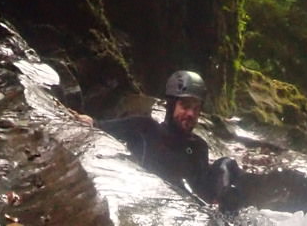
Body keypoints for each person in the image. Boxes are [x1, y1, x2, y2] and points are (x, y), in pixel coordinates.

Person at [99, 70, 241, 209]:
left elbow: (203, 194)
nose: (191, 113)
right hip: (147, 201)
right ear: (171, 106)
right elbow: (102, 127)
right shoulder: (145, 128)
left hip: (188, 209)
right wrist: (88, 121)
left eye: (196, 109)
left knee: (226, 164)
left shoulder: (199, 147)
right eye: (185, 106)